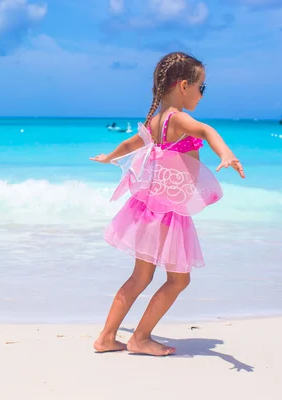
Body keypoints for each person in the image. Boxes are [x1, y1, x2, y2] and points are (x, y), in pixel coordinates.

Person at [90, 52, 245, 356]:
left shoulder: (156, 120)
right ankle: (140, 338)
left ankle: (107, 338)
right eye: (202, 87)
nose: (202, 94)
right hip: (169, 213)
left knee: (140, 277)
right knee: (178, 279)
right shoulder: (178, 118)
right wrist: (226, 154)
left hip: (149, 209)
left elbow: (129, 144)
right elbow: (207, 131)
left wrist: (110, 156)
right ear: (184, 85)